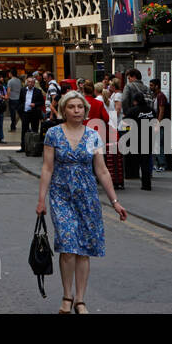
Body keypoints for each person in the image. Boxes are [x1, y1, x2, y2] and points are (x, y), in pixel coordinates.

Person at [36, 89, 127, 314]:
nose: (76, 111)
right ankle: (67, 296)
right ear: (64, 110)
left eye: (80, 107)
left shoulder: (93, 136)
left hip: (87, 197)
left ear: (85, 111)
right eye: (71, 107)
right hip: (61, 195)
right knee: (67, 245)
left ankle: (80, 300)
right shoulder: (54, 134)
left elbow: (102, 171)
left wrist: (115, 201)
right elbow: (47, 168)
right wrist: (41, 200)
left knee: (84, 248)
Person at [122, 69, 154, 191]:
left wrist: (126, 113)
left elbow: (125, 100)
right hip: (147, 126)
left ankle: (131, 173)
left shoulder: (129, 87)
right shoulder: (147, 88)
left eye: (129, 77)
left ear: (133, 77)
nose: (128, 80)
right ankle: (147, 175)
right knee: (146, 154)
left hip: (133, 122)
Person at [150, 80, 169, 171]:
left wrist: (158, 123)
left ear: (157, 86)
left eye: (152, 85)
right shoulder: (155, 96)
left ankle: (162, 164)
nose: (150, 87)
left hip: (160, 124)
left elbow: (161, 110)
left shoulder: (161, 96)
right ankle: (157, 163)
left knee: (159, 143)